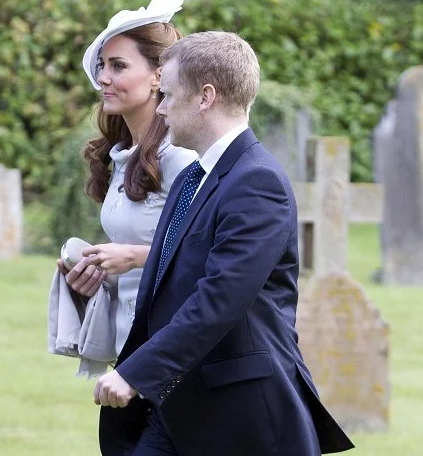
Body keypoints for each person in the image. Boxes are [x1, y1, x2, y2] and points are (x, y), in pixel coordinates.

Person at [93, 31, 356, 455]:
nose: (159, 108)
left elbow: (219, 299)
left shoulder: (257, 182)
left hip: (241, 416)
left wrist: (138, 373)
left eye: (168, 95)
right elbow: (167, 285)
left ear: (205, 97)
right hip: (174, 407)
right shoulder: (190, 181)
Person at [56, 0, 196, 358]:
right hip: (128, 346)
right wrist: (94, 276)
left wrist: (134, 256)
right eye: (103, 65)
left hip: (171, 348)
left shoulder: (180, 158)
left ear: (158, 76)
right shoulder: (123, 156)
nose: (103, 77)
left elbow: (208, 253)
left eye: (118, 66)